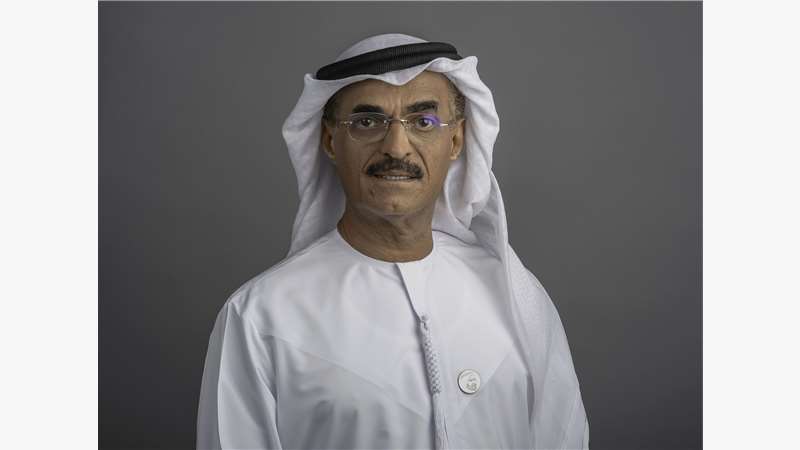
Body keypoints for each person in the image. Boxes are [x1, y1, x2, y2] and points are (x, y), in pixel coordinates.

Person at [196, 33, 589, 450]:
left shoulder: (515, 296)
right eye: (367, 122)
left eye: (424, 122)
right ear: (330, 141)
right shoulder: (261, 316)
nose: (396, 147)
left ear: (456, 141)